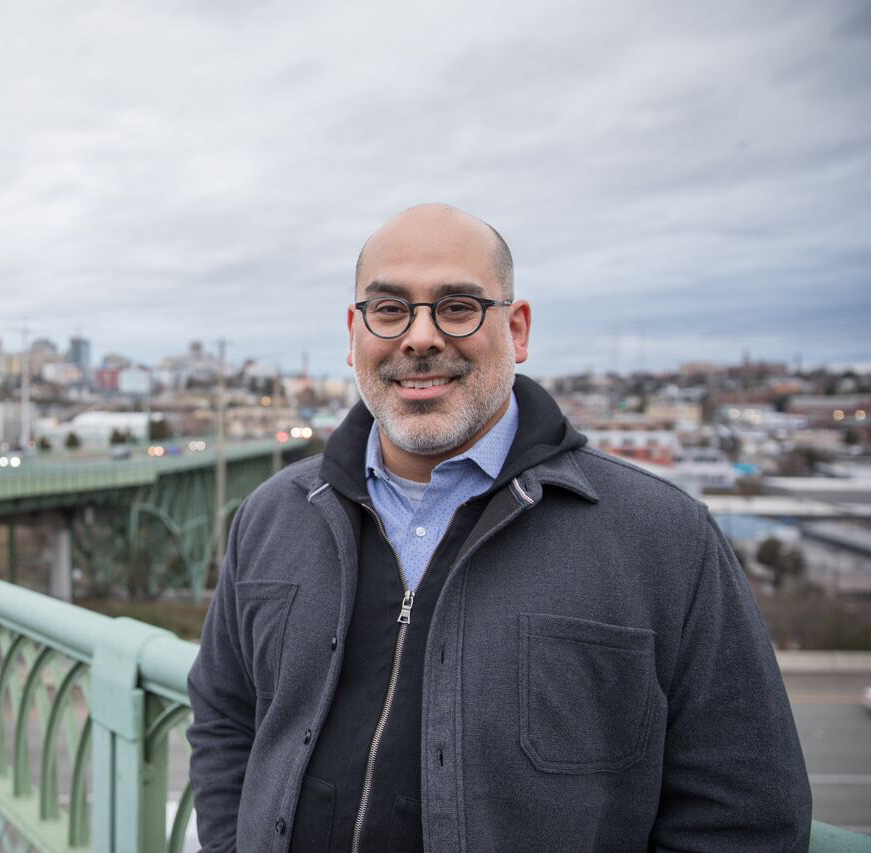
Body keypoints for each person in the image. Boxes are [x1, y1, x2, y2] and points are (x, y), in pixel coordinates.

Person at [186, 204, 811, 852]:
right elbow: (224, 714)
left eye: (457, 307)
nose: (420, 337)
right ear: (354, 333)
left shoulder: (662, 537)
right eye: (390, 309)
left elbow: (743, 812)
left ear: (517, 328)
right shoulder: (272, 515)